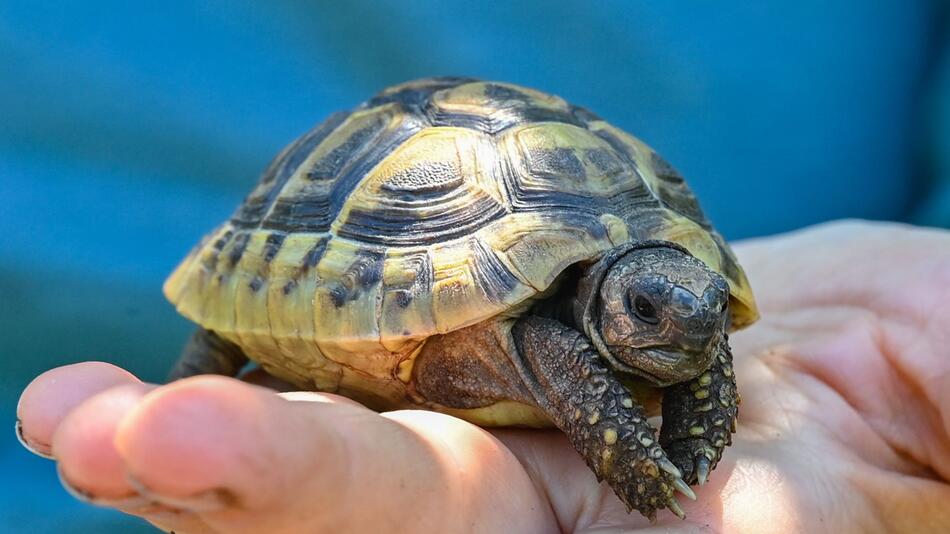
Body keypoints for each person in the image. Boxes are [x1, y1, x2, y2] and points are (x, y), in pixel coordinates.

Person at [15, 221, 950, 533]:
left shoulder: (677, 311)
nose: (685, 338)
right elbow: (558, 350)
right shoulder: (557, 332)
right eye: (650, 318)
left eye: (701, 313)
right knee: (207, 383)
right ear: (602, 301)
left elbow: (697, 339)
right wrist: (632, 457)